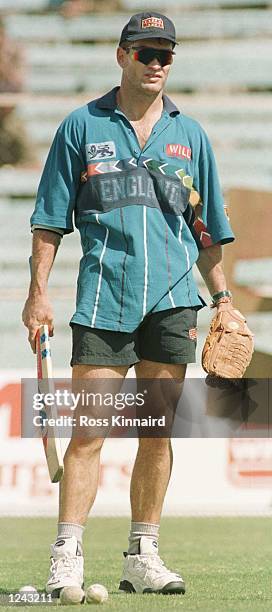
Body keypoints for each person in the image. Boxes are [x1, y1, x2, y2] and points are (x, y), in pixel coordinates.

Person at [22, 11, 235, 596]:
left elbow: (207, 231)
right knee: (90, 433)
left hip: (173, 304)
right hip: (102, 301)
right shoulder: (80, 126)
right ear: (122, 56)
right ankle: (67, 553)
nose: (157, 63)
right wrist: (37, 294)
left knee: (157, 432)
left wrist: (224, 301)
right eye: (146, 52)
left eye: (166, 53)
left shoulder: (189, 136)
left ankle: (143, 553)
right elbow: (48, 221)